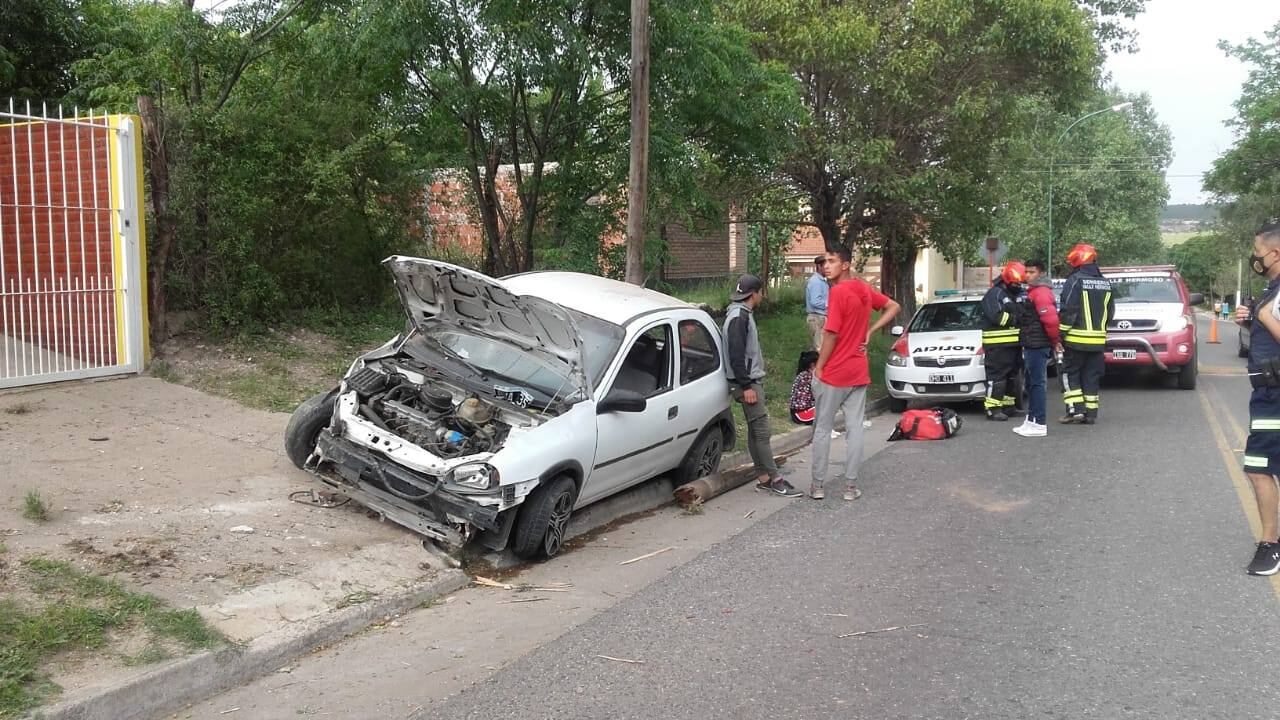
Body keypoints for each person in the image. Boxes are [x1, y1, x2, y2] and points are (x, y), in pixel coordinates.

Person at [810, 246, 900, 500]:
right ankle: (850, 486)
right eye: (824, 262)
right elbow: (893, 306)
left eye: (831, 261)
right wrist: (870, 330)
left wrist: (819, 366)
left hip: (834, 372)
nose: (826, 266)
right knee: (855, 428)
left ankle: (817, 485)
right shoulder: (862, 288)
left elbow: (831, 333)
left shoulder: (838, 292)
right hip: (858, 371)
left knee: (822, 429)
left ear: (845, 264)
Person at [723, 274, 802, 497]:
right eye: (760, 292)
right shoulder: (740, 318)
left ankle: (764, 477)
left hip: (745, 381)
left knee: (755, 432)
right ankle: (775, 479)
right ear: (755, 294)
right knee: (762, 431)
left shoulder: (738, 313)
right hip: (746, 383)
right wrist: (747, 386)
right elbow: (736, 355)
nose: (761, 296)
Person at [1236, 222, 1280, 575]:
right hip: (1266, 393)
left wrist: (1262, 315)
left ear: (1274, 253)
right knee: (1260, 468)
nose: (1255, 258)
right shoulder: (1272, 289)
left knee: (1259, 467)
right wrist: (1251, 323)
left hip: (1276, 395)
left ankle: (1270, 545)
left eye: (1257, 251)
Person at [1058, 243, 1114, 424]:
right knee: (1091, 376)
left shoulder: (1075, 281)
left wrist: (1060, 334)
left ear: (1077, 260)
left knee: (1069, 374)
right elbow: (1110, 312)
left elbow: (1068, 310)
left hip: (1075, 340)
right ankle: (1091, 414)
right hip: (1097, 342)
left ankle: (1075, 411)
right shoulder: (1105, 283)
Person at [1014, 259, 1061, 437]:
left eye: (1032, 272)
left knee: (1037, 384)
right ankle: (1032, 420)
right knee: (1033, 383)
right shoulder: (1034, 291)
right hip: (1033, 342)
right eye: (1026, 272)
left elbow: (1050, 320)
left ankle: (1039, 423)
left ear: (1040, 273)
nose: (1027, 275)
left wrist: (1055, 340)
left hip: (1037, 343)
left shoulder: (1040, 292)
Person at [980, 261, 1026, 421]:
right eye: (1015, 282)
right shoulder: (994, 294)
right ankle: (992, 409)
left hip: (1014, 345)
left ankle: (1008, 407)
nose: (1018, 285)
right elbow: (997, 316)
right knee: (997, 377)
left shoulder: (1014, 294)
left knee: (1012, 377)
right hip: (998, 346)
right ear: (1006, 280)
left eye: (1019, 282)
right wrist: (1017, 319)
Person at [805, 255, 830, 350]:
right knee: (820, 348)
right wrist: (829, 305)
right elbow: (815, 302)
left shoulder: (822, 281)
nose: (828, 269)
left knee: (820, 347)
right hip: (817, 318)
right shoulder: (816, 282)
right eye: (826, 267)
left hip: (820, 317)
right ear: (819, 266)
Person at [789, 350, 819, 425]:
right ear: (813, 365)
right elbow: (818, 393)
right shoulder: (808, 376)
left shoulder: (802, 374)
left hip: (796, 412)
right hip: (802, 414)